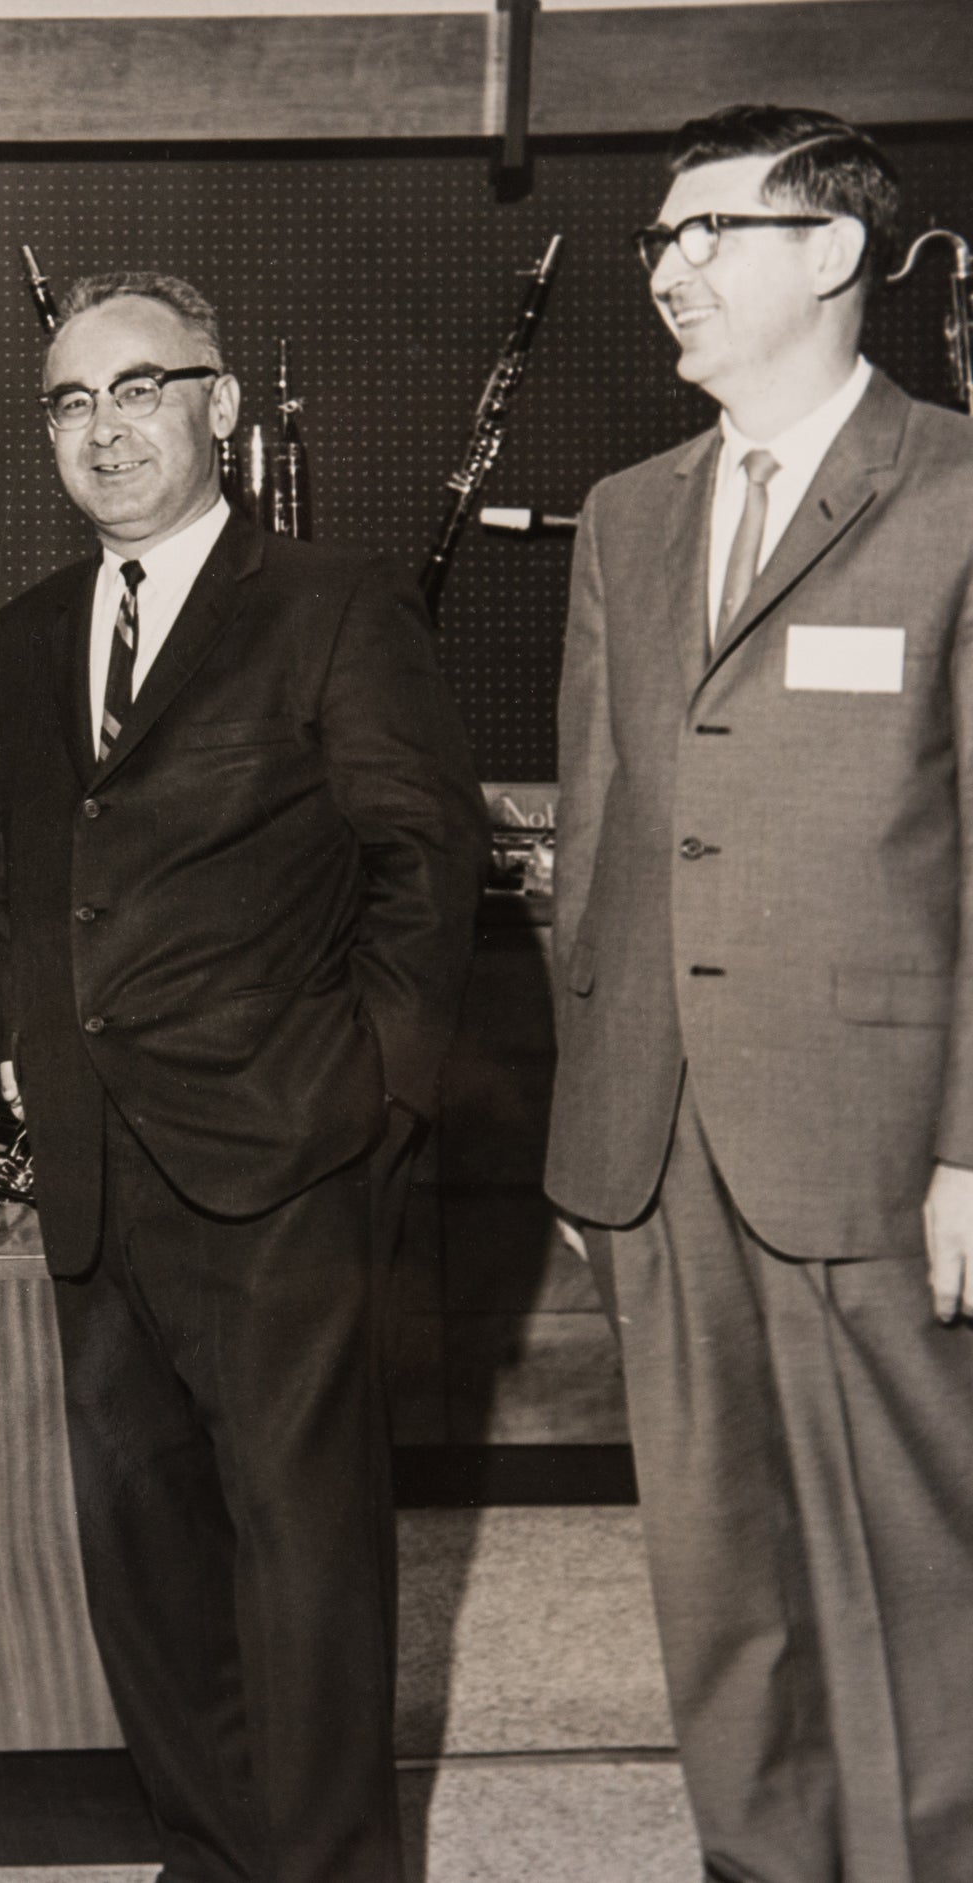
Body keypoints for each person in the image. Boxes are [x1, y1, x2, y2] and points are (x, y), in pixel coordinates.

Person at [0, 271, 486, 1883]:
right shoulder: (27, 636)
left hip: (284, 1162)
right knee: (146, 1561)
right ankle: (208, 1857)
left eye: (140, 389)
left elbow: (424, 866)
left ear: (221, 405)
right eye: (70, 403)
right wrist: (32, 1057)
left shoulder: (332, 605)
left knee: (304, 1563)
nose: (103, 431)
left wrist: (375, 1099)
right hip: (94, 1173)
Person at [547, 105, 973, 1881]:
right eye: (662, 240)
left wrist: (972, 1152)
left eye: (711, 232)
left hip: (877, 1138)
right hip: (661, 1140)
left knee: (916, 1577)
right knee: (719, 1576)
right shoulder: (629, 515)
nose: (673, 270)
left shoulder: (956, 494)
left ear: (838, 252)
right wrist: (591, 1128)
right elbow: (598, 833)